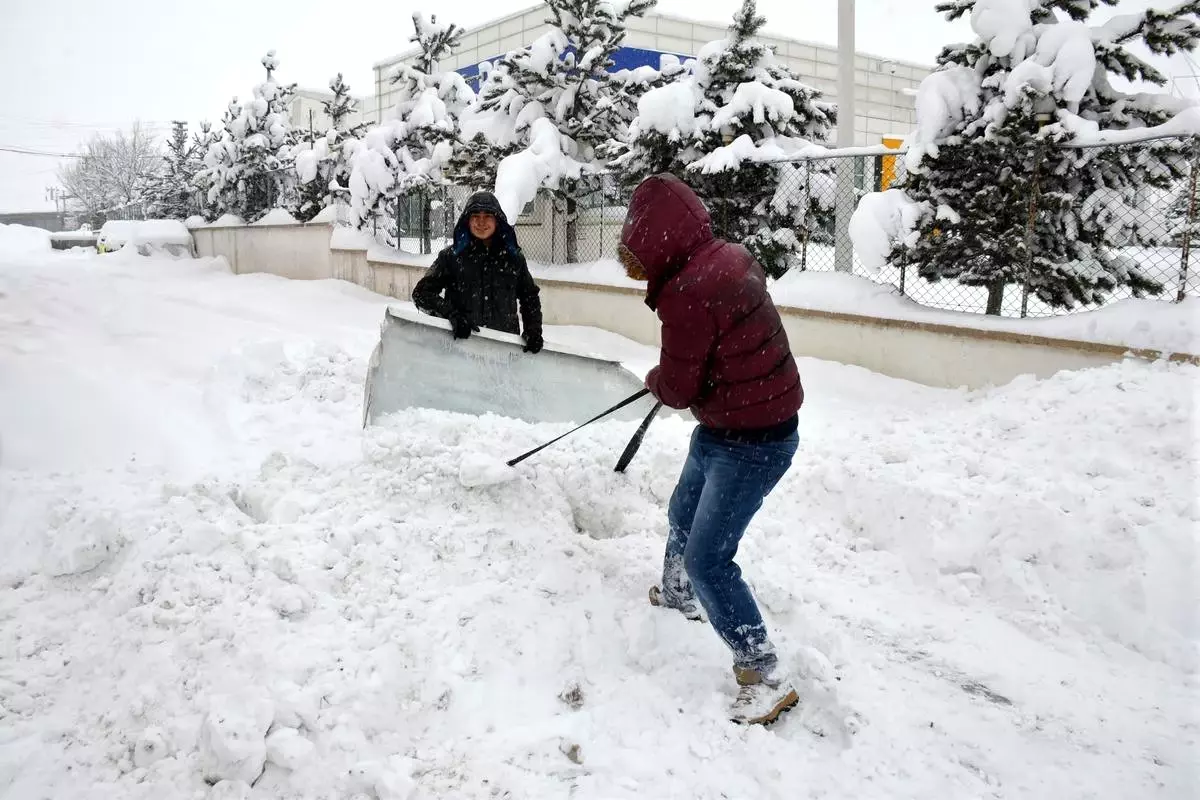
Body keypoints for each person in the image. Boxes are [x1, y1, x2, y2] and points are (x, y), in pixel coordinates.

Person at [618, 174, 804, 726]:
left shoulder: (689, 293)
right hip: (734, 422)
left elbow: (678, 386)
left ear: (659, 242)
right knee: (683, 512)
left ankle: (762, 670)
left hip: (753, 442)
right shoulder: (726, 257)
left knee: (709, 558)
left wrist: (657, 379)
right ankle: (676, 595)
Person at [412, 191, 543, 353]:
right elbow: (421, 294)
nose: (481, 222)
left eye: (488, 215)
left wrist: (533, 329)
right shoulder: (452, 257)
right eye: (475, 216)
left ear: (497, 220)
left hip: (504, 352)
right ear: (467, 220)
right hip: (461, 350)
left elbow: (529, 296)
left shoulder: (513, 259)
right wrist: (451, 314)